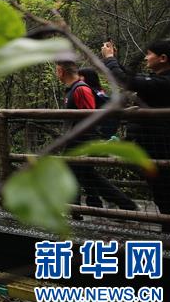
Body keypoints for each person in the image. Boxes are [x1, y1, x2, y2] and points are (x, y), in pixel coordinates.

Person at [101, 39, 170, 234]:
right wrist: (112, 59)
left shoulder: (169, 82)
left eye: (149, 54)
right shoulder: (164, 80)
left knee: (165, 192)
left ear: (163, 58)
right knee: (163, 192)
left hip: (158, 144)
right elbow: (132, 79)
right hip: (152, 143)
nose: (146, 58)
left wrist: (110, 59)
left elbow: (126, 81)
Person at [56, 60, 137, 212]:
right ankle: (112, 205)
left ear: (60, 71)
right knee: (86, 175)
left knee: (79, 174)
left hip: (82, 141)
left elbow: (90, 117)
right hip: (75, 139)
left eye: (56, 70)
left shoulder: (81, 89)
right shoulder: (72, 89)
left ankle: (77, 210)